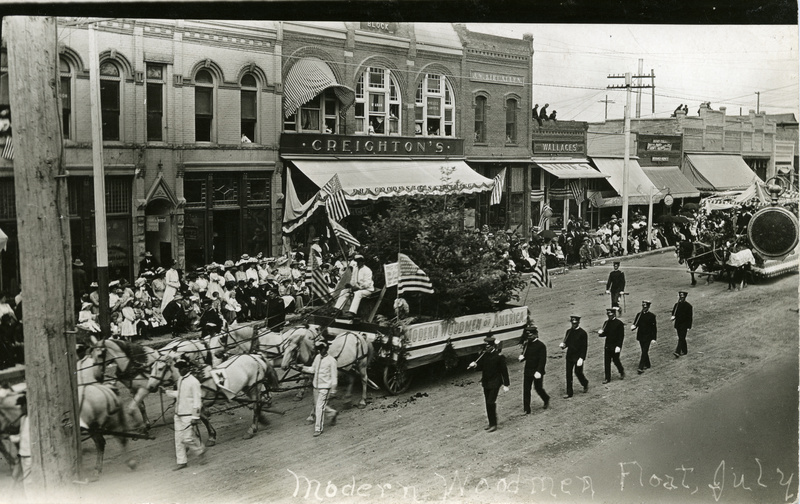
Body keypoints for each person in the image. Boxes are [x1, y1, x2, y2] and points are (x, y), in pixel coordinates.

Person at [162, 358, 206, 470]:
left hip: (188, 415)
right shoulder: (181, 379)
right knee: (178, 440)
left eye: (182, 368)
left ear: (187, 368)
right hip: (178, 414)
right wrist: (166, 392)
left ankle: (200, 451)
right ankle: (181, 462)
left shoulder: (194, 382)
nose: (180, 370)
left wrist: (195, 417)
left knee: (187, 439)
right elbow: (180, 394)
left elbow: (197, 400)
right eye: (179, 368)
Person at [296, 340, 338, 437]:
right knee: (318, 406)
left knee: (319, 407)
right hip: (316, 387)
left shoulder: (332, 361)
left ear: (325, 348)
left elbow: (334, 377)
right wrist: (302, 368)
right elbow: (312, 369)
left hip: (325, 388)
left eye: (321, 349)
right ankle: (333, 412)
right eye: (318, 349)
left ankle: (318, 428)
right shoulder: (317, 357)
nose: (319, 351)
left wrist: (333, 390)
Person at [467, 336, 510, 432]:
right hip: (486, 382)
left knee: (491, 402)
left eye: (488, 347)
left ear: (492, 346)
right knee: (487, 403)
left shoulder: (499, 357)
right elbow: (481, 367)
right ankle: (491, 423)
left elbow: (504, 371)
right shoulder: (484, 355)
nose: (486, 348)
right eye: (485, 347)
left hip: (495, 382)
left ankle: (494, 424)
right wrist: (475, 365)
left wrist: (506, 384)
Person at [518, 326, 549, 413]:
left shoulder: (541, 346)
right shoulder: (526, 344)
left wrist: (539, 371)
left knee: (538, 388)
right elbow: (526, 355)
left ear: (536, 335)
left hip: (537, 371)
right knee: (526, 389)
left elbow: (542, 360)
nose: (529, 337)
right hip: (528, 370)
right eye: (528, 336)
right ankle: (526, 409)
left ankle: (546, 398)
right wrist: (522, 358)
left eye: (531, 335)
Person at [334, 254, 375, 319]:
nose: (358, 263)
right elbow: (353, 280)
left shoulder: (367, 270)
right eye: (357, 261)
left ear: (363, 262)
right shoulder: (355, 269)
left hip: (367, 290)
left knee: (358, 294)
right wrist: (350, 285)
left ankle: (352, 312)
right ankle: (338, 310)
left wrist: (358, 287)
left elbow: (368, 284)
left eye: (359, 261)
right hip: (356, 288)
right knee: (344, 291)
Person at [559, 315, 589, 398]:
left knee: (578, 372)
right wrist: (564, 345)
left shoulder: (583, 333)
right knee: (568, 374)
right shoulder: (569, 332)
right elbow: (567, 342)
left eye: (575, 323)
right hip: (570, 356)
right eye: (572, 323)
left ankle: (585, 383)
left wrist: (582, 358)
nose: (573, 325)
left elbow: (584, 347)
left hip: (578, 356)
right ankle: (569, 392)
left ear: (578, 323)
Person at [598, 307, 625, 383]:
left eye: (610, 314)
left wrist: (618, 346)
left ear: (614, 314)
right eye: (608, 314)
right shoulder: (606, 323)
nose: (609, 316)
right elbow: (605, 333)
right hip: (608, 345)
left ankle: (621, 371)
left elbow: (621, 336)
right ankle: (607, 378)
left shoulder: (619, 323)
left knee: (616, 360)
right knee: (606, 362)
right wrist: (601, 333)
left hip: (615, 346)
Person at [631, 300, 657, 374]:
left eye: (645, 307)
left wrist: (654, 338)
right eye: (643, 306)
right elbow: (636, 323)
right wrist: (633, 327)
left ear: (648, 307)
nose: (644, 308)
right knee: (644, 351)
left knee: (644, 351)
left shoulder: (652, 316)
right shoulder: (639, 315)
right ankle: (648, 364)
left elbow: (654, 328)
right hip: (641, 336)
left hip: (648, 336)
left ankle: (641, 367)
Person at [671, 291, 693, 358]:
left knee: (681, 338)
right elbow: (674, 313)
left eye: (682, 297)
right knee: (681, 337)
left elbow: (690, 317)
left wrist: (689, 326)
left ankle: (677, 351)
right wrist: (673, 317)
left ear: (685, 297)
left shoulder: (688, 306)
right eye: (680, 297)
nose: (681, 298)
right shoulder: (676, 305)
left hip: (684, 324)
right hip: (678, 324)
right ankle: (685, 350)